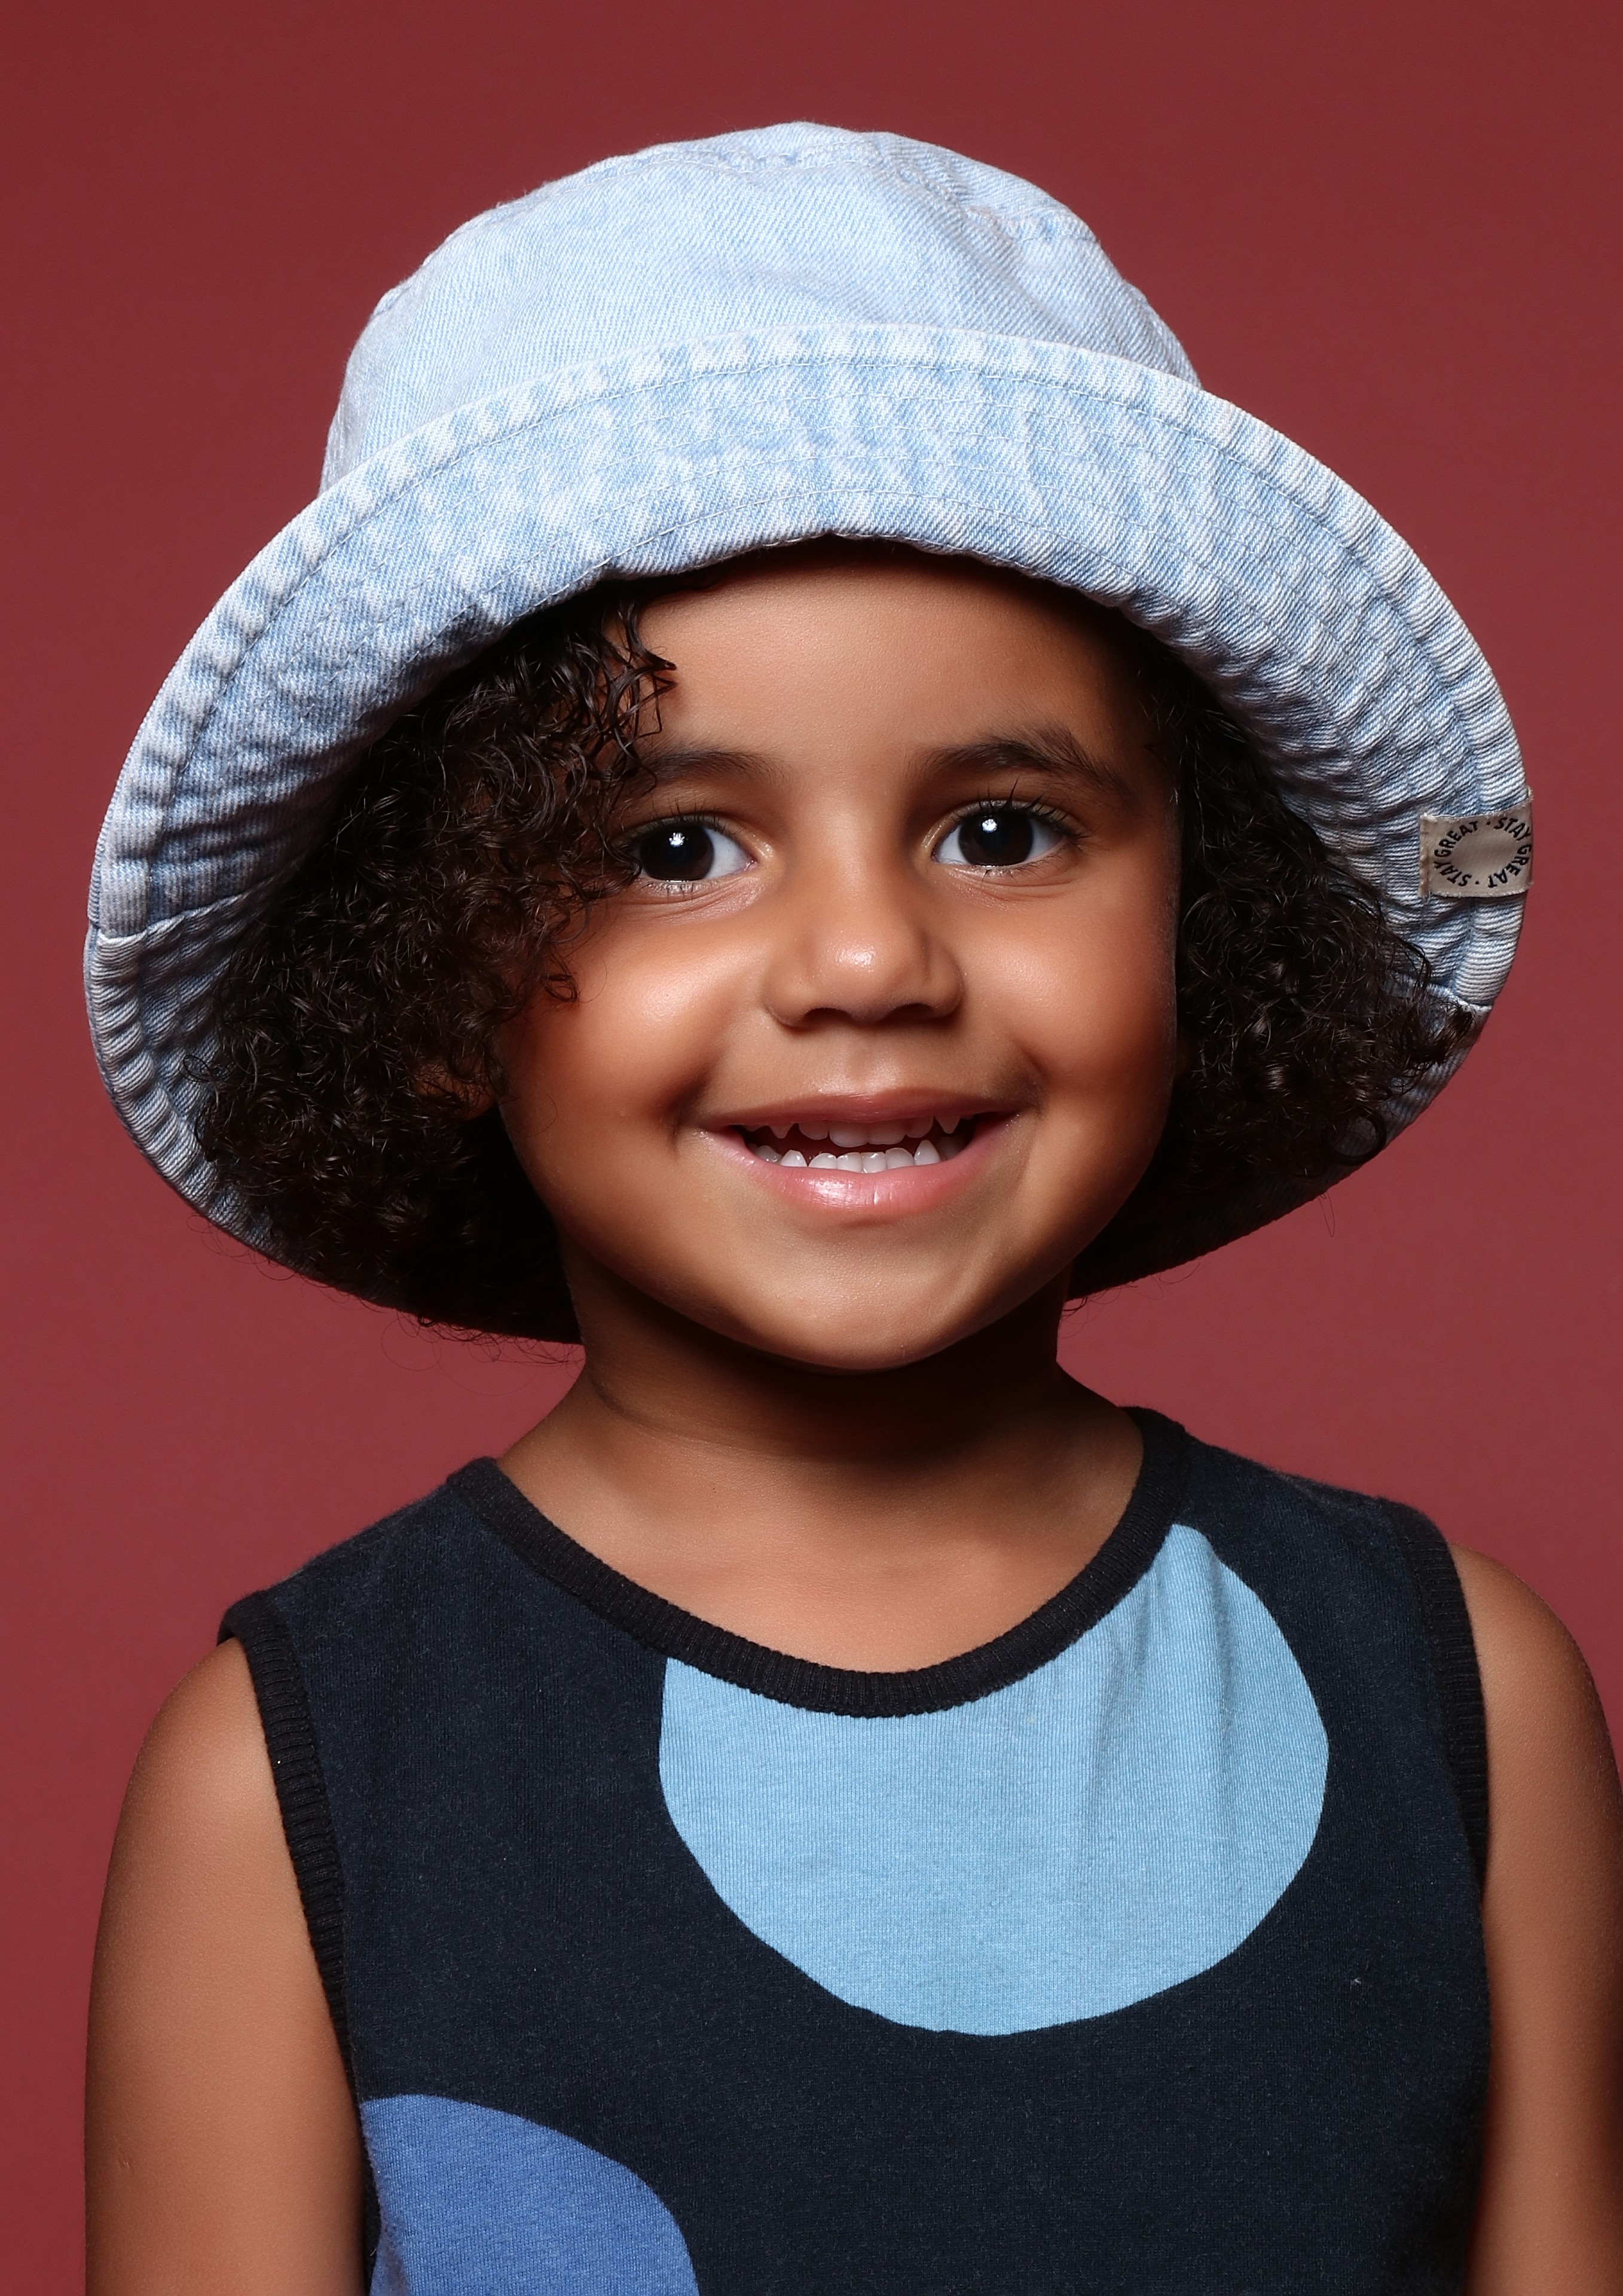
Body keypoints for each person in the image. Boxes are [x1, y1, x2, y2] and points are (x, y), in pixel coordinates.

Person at [83, 126, 1619, 2294]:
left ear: (1205, 914)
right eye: (674, 851)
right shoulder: (300, 1769)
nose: (870, 962)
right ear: (428, 968)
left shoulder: (1452, 1693)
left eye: (1001, 830)